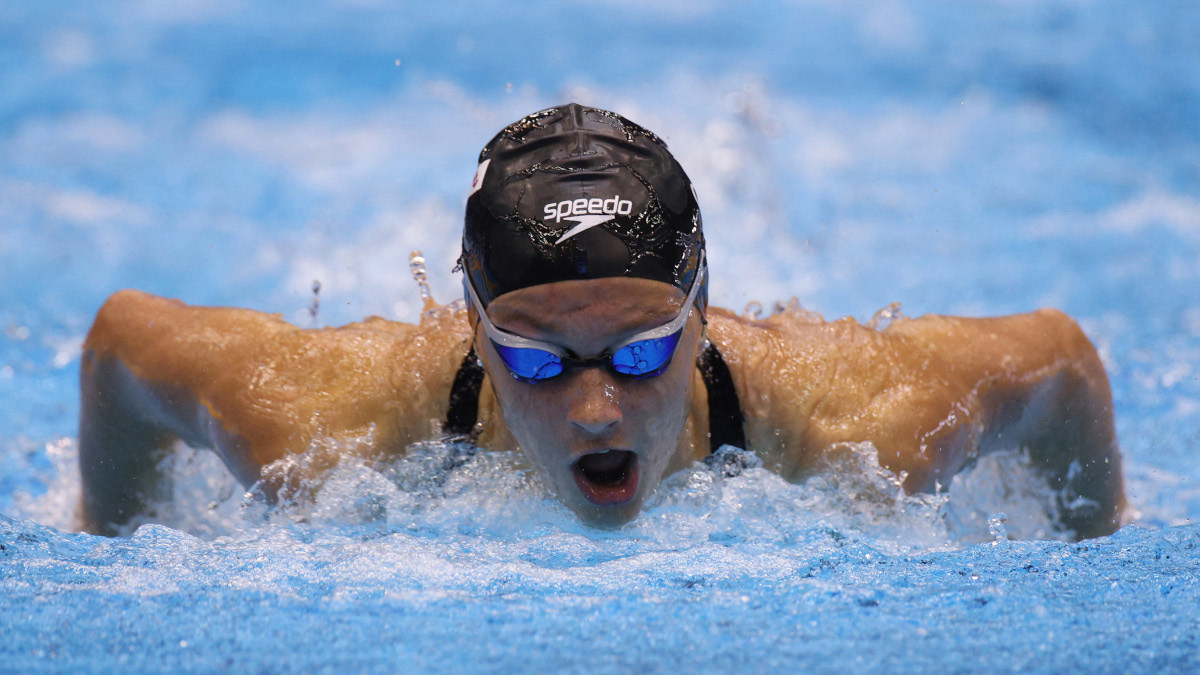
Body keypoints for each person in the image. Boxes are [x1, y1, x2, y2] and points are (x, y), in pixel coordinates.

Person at [77, 103, 1126, 539]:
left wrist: (1095, 544)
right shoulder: (328, 430)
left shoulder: (861, 432)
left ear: (705, 315)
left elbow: (1063, 362)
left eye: (641, 352)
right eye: (536, 361)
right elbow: (124, 342)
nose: (594, 408)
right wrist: (107, 533)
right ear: (474, 331)